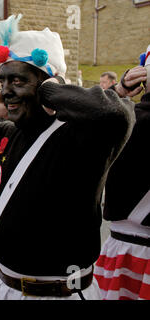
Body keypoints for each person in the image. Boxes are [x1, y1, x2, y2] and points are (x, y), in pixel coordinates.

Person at [0, 14, 134, 300]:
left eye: (18, 80)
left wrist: (50, 88)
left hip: (56, 294)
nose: (6, 90)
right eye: (3, 80)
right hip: (2, 286)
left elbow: (115, 114)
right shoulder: (6, 133)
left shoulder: (82, 139)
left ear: (50, 87)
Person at [94, 49, 150, 300]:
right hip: (129, 250)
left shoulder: (120, 118)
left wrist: (117, 94)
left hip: (124, 249)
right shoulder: (126, 119)